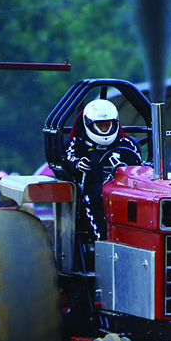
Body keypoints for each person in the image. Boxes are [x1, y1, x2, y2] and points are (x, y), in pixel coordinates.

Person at [63, 99, 139, 240]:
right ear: (89, 125)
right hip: (91, 193)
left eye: (107, 125)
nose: (104, 129)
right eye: (100, 125)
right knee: (94, 198)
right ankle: (104, 240)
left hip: (125, 191)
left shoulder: (128, 143)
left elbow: (139, 169)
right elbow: (70, 160)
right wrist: (79, 164)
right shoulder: (76, 144)